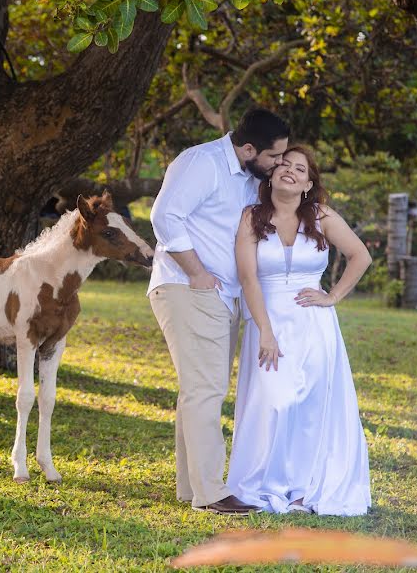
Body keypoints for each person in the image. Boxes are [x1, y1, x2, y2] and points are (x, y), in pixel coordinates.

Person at [148, 108, 289, 515]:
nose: (278, 163)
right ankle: (211, 493)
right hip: (188, 287)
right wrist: (197, 273)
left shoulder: (250, 178)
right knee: (206, 389)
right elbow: (164, 215)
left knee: (200, 389)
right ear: (248, 148)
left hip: (223, 296)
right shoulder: (202, 163)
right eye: (274, 156)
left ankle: (190, 487)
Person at [227, 145, 372, 516]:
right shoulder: (251, 217)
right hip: (268, 320)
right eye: (284, 165)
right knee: (274, 401)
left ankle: (304, 488)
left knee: (311, 405)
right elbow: (248, 278)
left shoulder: (321, 216)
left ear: (309, 183)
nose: (290, 171)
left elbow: (361, 256)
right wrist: (265, 331)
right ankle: (269, 482)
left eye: (300, 169)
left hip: (314, 324)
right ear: (272, 176)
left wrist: (333, 296)